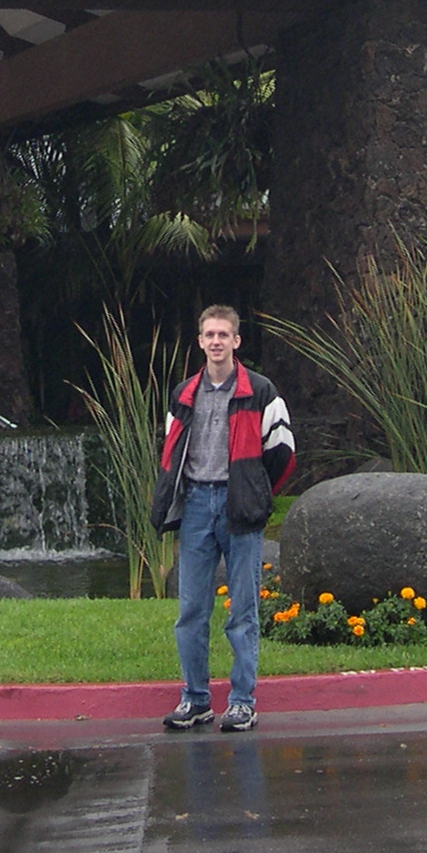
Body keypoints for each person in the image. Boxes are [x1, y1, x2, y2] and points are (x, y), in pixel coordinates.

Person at [147, 305, 294, 733]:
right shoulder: (184, 394)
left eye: (223, 335)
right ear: (200, 341)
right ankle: (195, 699)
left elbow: (282, 453)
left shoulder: (260, 392)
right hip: (195, 505)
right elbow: (171, 451)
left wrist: (254, 492)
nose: (216, 341)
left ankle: (242, 701)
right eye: (209, 334)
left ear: (236, 341)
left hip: (238, 509)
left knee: (243, 612)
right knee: (191, 609)